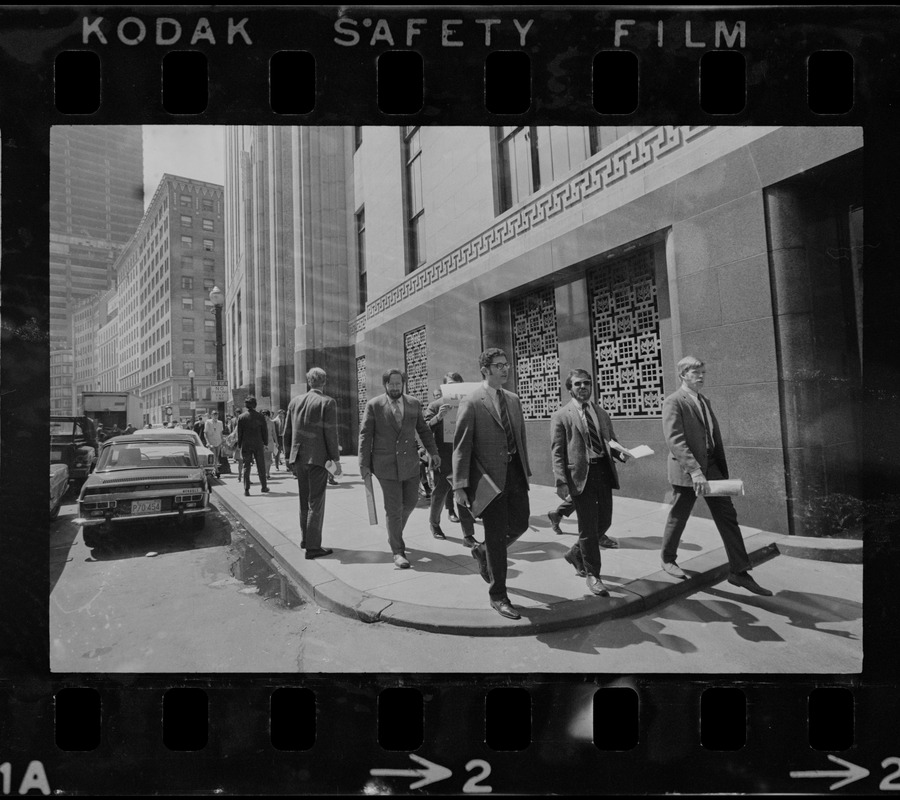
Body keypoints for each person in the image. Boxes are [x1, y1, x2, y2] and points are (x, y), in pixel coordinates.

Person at [659, 356, 772, 596]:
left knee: (727, 516)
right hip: (688, 470)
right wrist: (695, 471)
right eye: (695, 372)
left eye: (702, 372)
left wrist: (712, 467)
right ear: (683, 375)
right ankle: (668, 559)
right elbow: (675, 441)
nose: (701, 376)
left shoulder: (704, 400)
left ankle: (739, 571)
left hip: (711, 467)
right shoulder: (673, 402)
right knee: (679, 515)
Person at [453, 348, 531, 620]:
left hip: (515, 475)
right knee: (497, 537)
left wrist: (525, 470)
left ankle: (482, 550)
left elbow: (519, 438)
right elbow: (461, 446)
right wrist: (460, 485)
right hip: (489, 480)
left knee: (521, 523)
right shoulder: (472, 401)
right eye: (498, 366)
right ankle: (498, 595)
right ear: (485, 370)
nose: (505, 369)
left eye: (506, 364)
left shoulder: (513, 399)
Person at [551, 369, 632, 597]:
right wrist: (560, 481)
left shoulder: (600, 412)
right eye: (578, 384)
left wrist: (621, 453)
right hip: (580, 476)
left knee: (604, 523)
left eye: (587, 383)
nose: (584, 387)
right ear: (570, 389)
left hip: (603, 472)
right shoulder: (562, 415)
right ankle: (593, 574)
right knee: (587, 527)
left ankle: (575, 553)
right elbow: (557, 452)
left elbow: (611, 441)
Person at [359, 369, 440, 569]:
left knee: (411, 502)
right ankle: (398, 551)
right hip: (385, 466)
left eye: (398, 383)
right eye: (391, 384)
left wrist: (433, 452)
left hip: (410, 464)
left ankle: (394, 534)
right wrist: (363, 464)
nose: (395, 387)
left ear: (403, 383)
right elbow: (365, 435)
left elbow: (423, 429)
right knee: (393, 508)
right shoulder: (374, 405)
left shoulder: (413, 403)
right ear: (385, 384)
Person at [283, 368, 341, 560]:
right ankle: (313, 546)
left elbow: (287, 433)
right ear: (324, 382)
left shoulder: (294, 402)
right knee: (316, 502)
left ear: (309, 382)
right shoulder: (328, 402)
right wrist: (335, 460)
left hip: (298, 457)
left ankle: (305, 540)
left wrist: (287, 457)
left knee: (303, 500)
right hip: (318, 458)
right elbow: (330, 434)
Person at [424, 371, 477, 547]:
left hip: (464, 455)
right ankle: (434, 524)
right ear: (444, 387)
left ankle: (468, 535)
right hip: (443, 456)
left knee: (465, 492)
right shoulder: (435, 405)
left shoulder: (470, 403)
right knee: (440, 492)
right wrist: (438, 418)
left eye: (457, 384)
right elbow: (423, 429)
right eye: (450, 385)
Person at [236, 395, 269, 496]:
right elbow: (265, 432)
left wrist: (239, 445)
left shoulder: (241, 417)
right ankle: (263, 487)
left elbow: (239, 433)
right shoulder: (260, 416)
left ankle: (246, 489)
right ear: (255, 405)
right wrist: (265, 443)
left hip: (246, 444)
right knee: (261, 466)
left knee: (246, 466)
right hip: (258, 444)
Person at [262, 409, 278, 479]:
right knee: (263, 459)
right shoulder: (260, 423)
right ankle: (264, 472)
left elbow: (274, 433)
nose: (265, 417)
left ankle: (267, 473)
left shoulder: (271, 423)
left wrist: (276, 442)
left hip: (270, 442)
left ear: (268, 416)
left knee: (268, 459)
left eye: (266, 415)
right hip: (262, 443)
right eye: (263, 415)